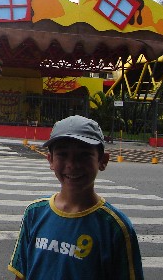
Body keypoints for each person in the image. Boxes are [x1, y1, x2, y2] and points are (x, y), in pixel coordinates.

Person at [8, 115, 144, 280]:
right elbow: (21, 273)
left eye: (84, 155)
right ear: (50, 160)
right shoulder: (34, 213)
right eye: (62, 154)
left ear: (102, 161)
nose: (72, 164)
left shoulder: (115, 227)